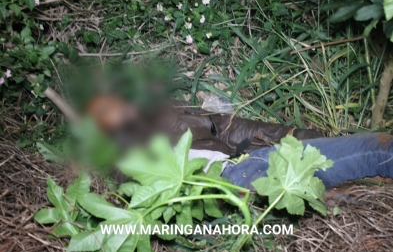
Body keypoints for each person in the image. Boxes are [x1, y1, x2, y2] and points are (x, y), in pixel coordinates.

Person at [86, 94, 393, 189]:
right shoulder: (121, 164)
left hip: (256, 159)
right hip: (227, 187)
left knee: (372, 147)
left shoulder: (165, 121)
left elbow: (228, 129)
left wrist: (289, 134)